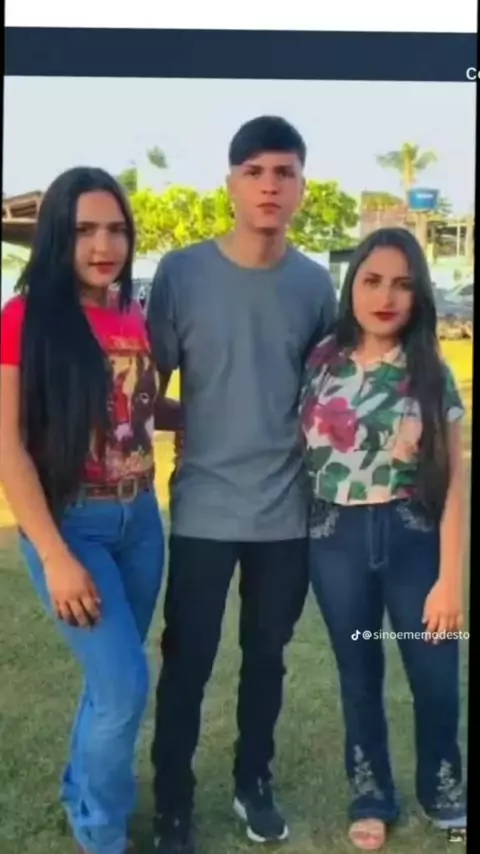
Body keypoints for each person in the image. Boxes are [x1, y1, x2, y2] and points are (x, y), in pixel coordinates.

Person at [146, 116, 337, 853]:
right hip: (202, 507)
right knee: (187, 663)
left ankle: (253, 782)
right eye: (254, 171)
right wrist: (196, 420)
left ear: (301, 187)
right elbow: (144, 389)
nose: (269, 186)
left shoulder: (315, 285)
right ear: (230, 183)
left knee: (266, 659)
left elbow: (326, 401)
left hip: (285, 514)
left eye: (284, 172)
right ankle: (172, 803)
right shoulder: (181, 274)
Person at [0, 167, 181, 854]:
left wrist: (210, 413)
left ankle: (82, 792)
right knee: (125, 687)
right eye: (84, 230)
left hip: (142, 523)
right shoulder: (25, 319)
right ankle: (102, 834)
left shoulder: (131, 314)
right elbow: (9, 443)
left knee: (113, 680)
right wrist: (54, 554)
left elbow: (135, 410)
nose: (103, 245)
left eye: (115, 229)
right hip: (73, 526)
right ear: (57, 236)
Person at [299, 227, 467, 850]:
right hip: (334, 539)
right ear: (352, 287)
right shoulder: (321, 361)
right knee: (359, 672)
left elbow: (454, 482)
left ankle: (443, 790)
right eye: (372, 281)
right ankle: (371, 795)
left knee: (435, 674)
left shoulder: (431, 371)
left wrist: (450, 580)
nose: (386, 296)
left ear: (418, 294)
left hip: (412, 538)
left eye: (401, 284)